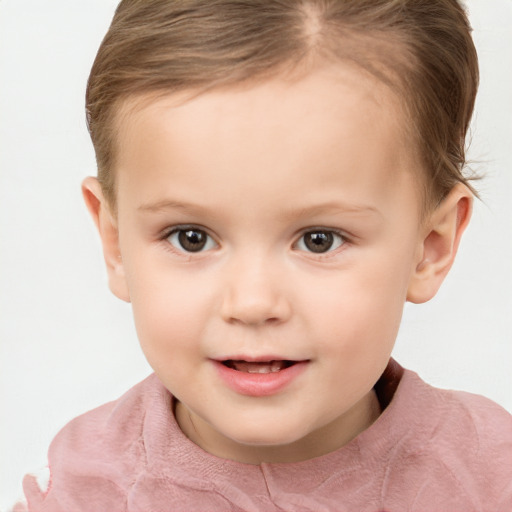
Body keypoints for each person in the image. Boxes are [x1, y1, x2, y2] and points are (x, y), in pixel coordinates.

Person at [15, 0, 512, 510]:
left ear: (430, 246)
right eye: (191, 237)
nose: (252, 303)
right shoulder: (83, 493)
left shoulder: (493, 479)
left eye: (319, 239)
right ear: (115, 241)